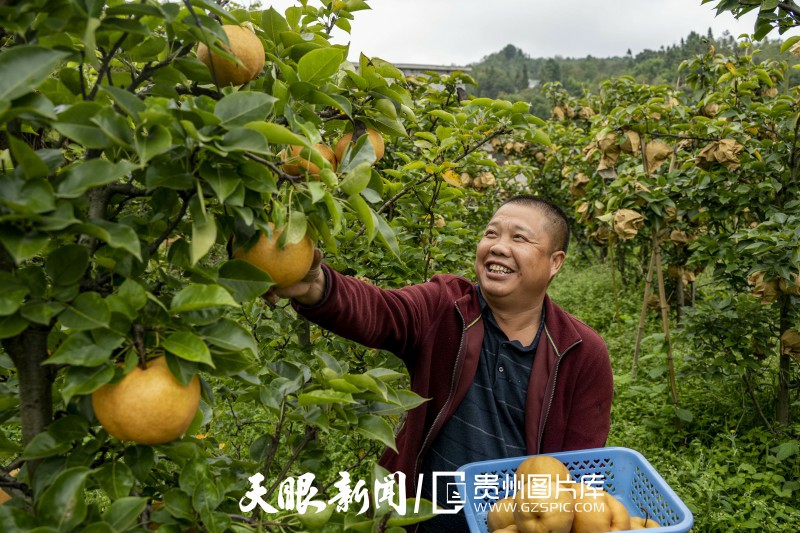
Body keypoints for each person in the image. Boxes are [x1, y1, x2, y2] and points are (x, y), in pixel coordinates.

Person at [267, 195, 613, 531]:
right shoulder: (445, 305)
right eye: (491, 233)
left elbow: (576, 474)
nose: (498, 247)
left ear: (555, 262)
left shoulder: (581, 352)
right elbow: (382, 311)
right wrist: (319, 285)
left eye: (519, 238)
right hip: (418, 521)